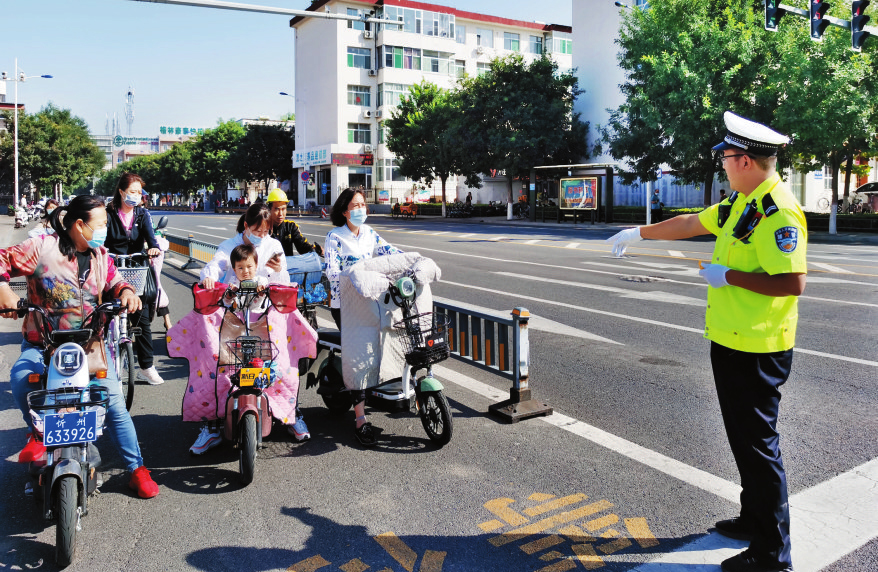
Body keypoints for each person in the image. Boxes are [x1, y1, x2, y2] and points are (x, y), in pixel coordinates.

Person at [606, 111, 805, 572]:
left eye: (727, 157)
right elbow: (692, 223)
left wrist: (728, 276)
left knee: (759, 446)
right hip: (733, 339)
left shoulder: (777, 210)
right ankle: (753, 518)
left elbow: (792, 282)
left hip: (757, 347)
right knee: (743, 440)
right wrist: (639, 232)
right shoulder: (744, 202)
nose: (723, 164)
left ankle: (772, 553)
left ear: (746, 161)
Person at [0, 195, 160, 499]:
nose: (104, 229)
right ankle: (38, 433)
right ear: (79, 225)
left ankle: (136, 469)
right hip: (43, 345)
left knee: (113, 403)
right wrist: (3, 287)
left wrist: (127, 292)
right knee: (22, 380)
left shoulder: (101, 256)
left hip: (89, 347)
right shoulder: (41, 248)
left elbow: (116, 282)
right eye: (100, 224)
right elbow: (2, 259)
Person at [192, 202, 309, 450]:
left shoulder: (274, 246)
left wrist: (279, 272)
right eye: (257, 230)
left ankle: (291, 414)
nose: (262, 236)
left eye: (266, 231)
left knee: (282, 363)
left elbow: (283, 281)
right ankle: (211, 425)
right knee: (216, 364)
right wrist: (209, 278)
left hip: (265, 315)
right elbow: (216, 265)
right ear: (246, 226)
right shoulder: (230, 246)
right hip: (233, 316)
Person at [324, 188, 402, 447]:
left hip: (370, 300)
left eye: (362, 205)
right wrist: (353, 278)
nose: (360, 209)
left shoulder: (369, 234)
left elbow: (390, 252)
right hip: (346, 304)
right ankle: (360, 420)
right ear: (345, 211)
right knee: (359, 355)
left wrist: (410, 262)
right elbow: (332, 271)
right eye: (355, 205)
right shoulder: (335, 237)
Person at [105, 173, 165, 386]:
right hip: (112, 270)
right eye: (132, 191)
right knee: (105, 316)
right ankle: (104, 364)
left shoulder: (142, 214)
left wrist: (154, 249)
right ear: (121, 192)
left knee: (142, 318)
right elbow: (101, 240)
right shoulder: (108, 214)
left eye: (139, 192)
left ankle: (147, 367)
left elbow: (151, 239)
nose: (136, 196)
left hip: (137, 270)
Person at [266, 188, 324, 258]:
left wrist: (315, 250)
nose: (280, 213)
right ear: (269, 210)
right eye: (277, 209)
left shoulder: (290, 226)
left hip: (288, 264)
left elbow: (302, 247)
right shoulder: (263, 227)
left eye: (283, 209)